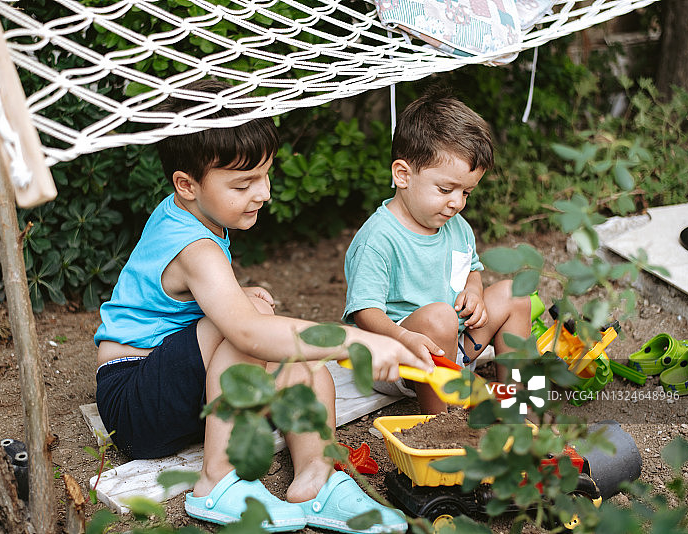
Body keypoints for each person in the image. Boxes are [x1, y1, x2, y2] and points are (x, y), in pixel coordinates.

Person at [94, 79, 431, 533]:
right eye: (244, 183)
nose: (264, 192)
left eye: (265, 174)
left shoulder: (192, 212)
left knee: (297, 358)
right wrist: (355, 340)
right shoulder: (194, 247)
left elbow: (194, 302)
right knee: (250, 332)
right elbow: (246, 333)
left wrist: (242, 298)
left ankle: (317, 476)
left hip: (173, 386)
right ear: (186, 185)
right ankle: (216, 481)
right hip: (134, 400)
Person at [342, 87, 532, 415]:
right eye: (446, 189)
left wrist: (474, 291)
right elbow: (364, 312)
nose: (457, 202)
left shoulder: (455, 224)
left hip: (453, 350)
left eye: (467, 193)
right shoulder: (378, 238)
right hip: (399, 359)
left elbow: (470, 268)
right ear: (403, 175)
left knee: (517, 293)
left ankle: (520, 405)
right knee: (439, 316)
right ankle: (438, 422)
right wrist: (404, 336)